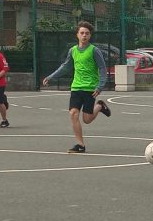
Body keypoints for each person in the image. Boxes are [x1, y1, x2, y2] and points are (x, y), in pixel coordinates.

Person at [42, 21, 111, 153]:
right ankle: (80, 145)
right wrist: (51, 77)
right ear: (77, 35)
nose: (84, 35)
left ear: (90, 36)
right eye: (82, 33)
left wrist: (100, 86)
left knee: (87, 119)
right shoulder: (72, 51)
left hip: (90, 88)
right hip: (76, 88)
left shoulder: (94, 51)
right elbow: (65, 67)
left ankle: (100, 106)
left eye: (87, 33)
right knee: (73, 114)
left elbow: (102, 69)